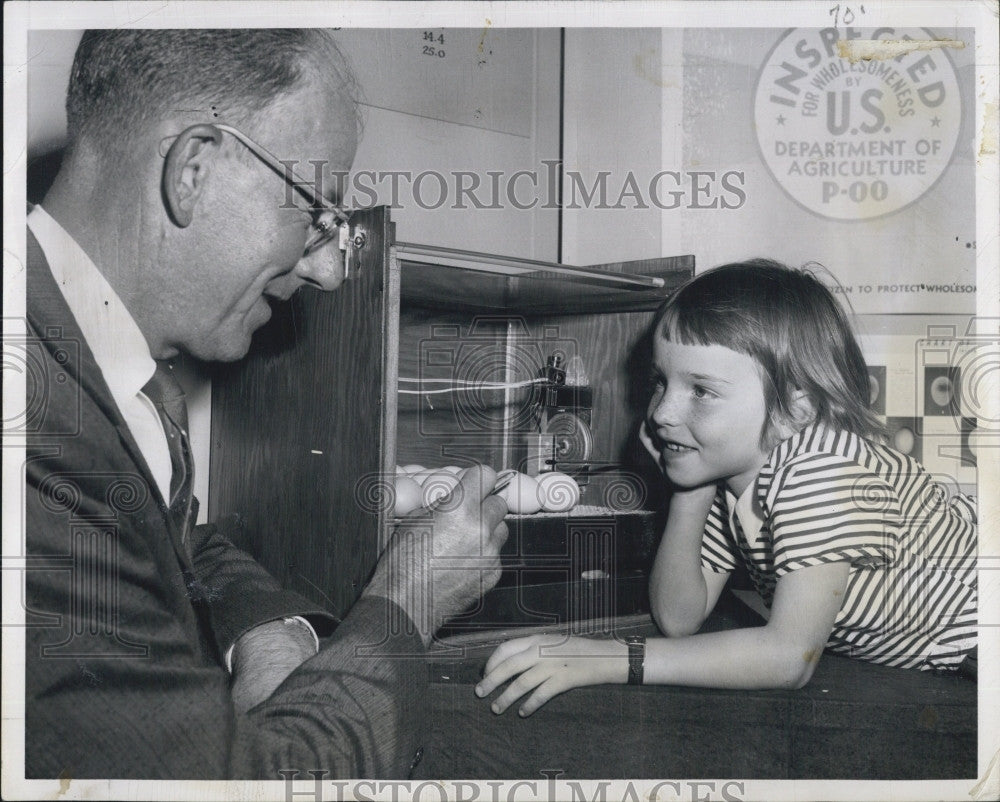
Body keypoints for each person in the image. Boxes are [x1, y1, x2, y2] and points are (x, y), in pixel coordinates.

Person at [24, 29, 508, 778]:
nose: (327, 271)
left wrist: (267, 626)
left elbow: (176, 543)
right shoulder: (31, 432)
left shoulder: (109, 371)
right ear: (193, 171)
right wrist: (410, 596)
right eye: (318, 213)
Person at [475, 259, 976, 717]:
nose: (662, 413)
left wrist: (611, 657)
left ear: (793, 409)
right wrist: (688, 491)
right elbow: (679, 616)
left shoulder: (822, 467)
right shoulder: (733, 479)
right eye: (660, 383)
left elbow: (787, 659)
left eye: (702, 391)